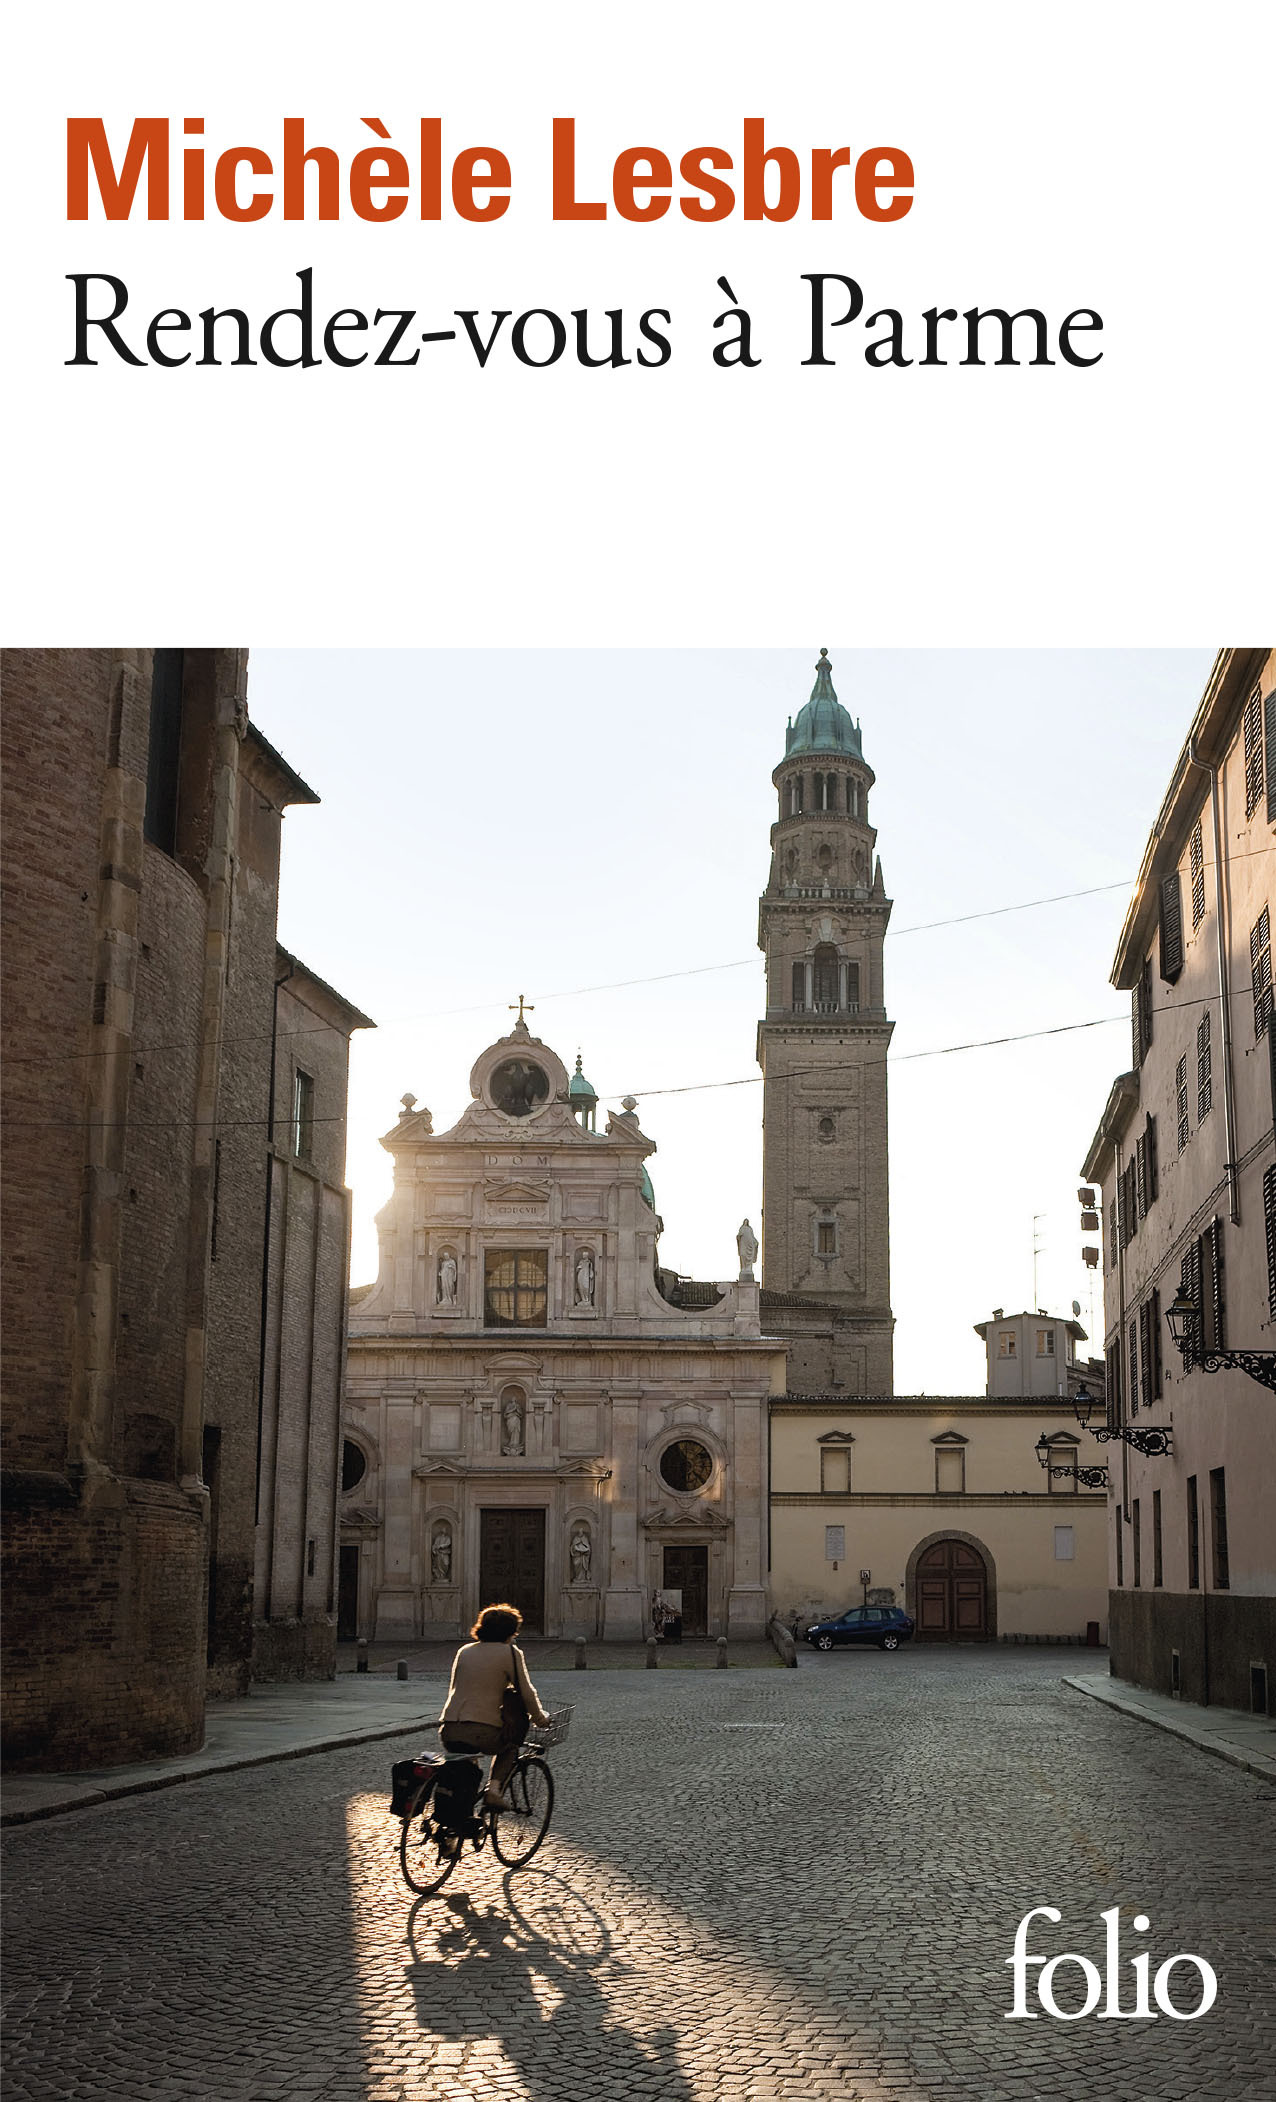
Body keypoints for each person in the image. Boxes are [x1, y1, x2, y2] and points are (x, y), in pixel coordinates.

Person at [438, 1602, 550, 1808]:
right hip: (482, 1731)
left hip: (449, 1728)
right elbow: (526, 1692)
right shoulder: (510, 1653)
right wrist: (540, 1718)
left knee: (464, 1771)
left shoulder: (464, 1650)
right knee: (510, 1746)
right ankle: (494, 1790)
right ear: (510, 1632)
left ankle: (459, 1822)